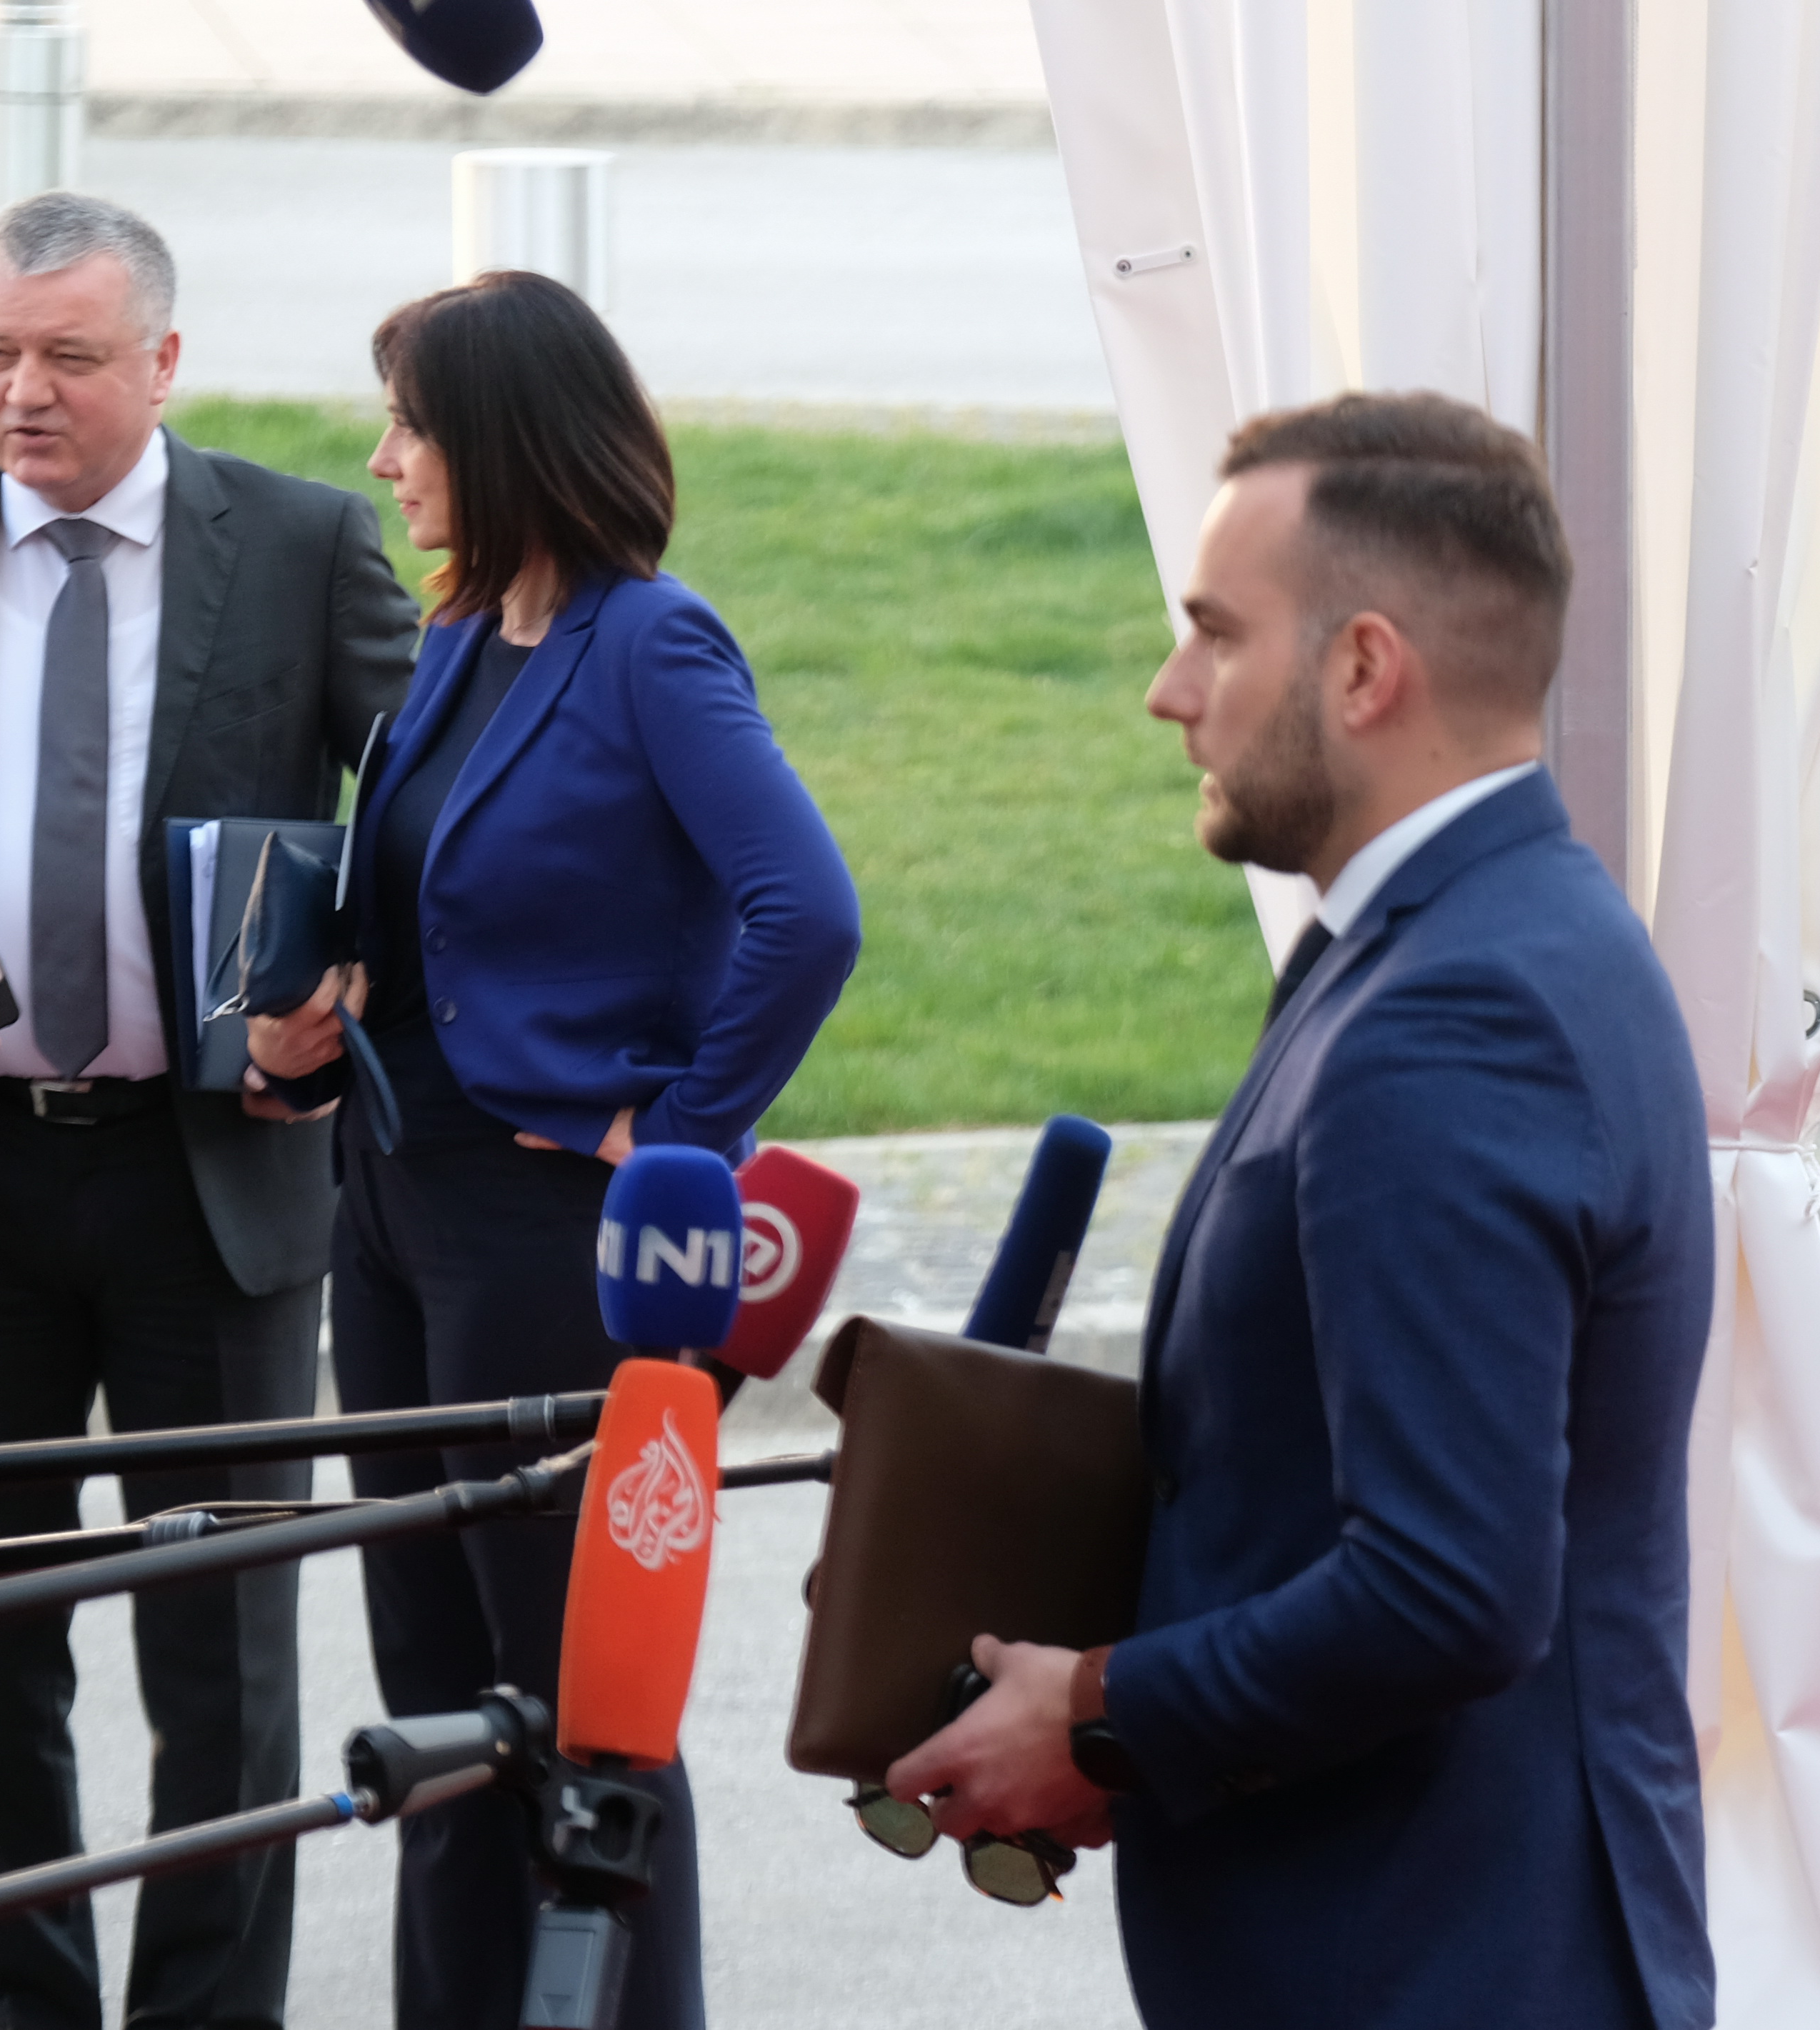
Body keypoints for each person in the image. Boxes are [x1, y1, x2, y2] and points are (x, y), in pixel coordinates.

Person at [887, 393, 1716, 2029]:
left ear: (1362, 667)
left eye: (1213, 633)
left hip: (1429, 1960)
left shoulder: (1452, 1012)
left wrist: (1102, 1715)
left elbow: (1447, 1585)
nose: (1168, 687)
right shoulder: (1502, 928)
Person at [247, 270, 860, 2029]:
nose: (385, 461)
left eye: (412, 427)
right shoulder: (454, 640)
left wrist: (678, 1137)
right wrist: (310, 1028)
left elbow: (806, 911)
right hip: (392, 1203)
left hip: (547, 1230)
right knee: (438, 1714)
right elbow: (428, 915)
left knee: (588, 1715)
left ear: (502, 437)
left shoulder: (650, 643)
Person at [0, 192, 416, 2030]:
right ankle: (21, 2011)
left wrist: (341, 992)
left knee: (224, 1650)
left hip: (210, 1175)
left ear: (165, 361)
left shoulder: (295, 545)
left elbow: (436, 809)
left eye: (68, 356)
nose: (22, 394)